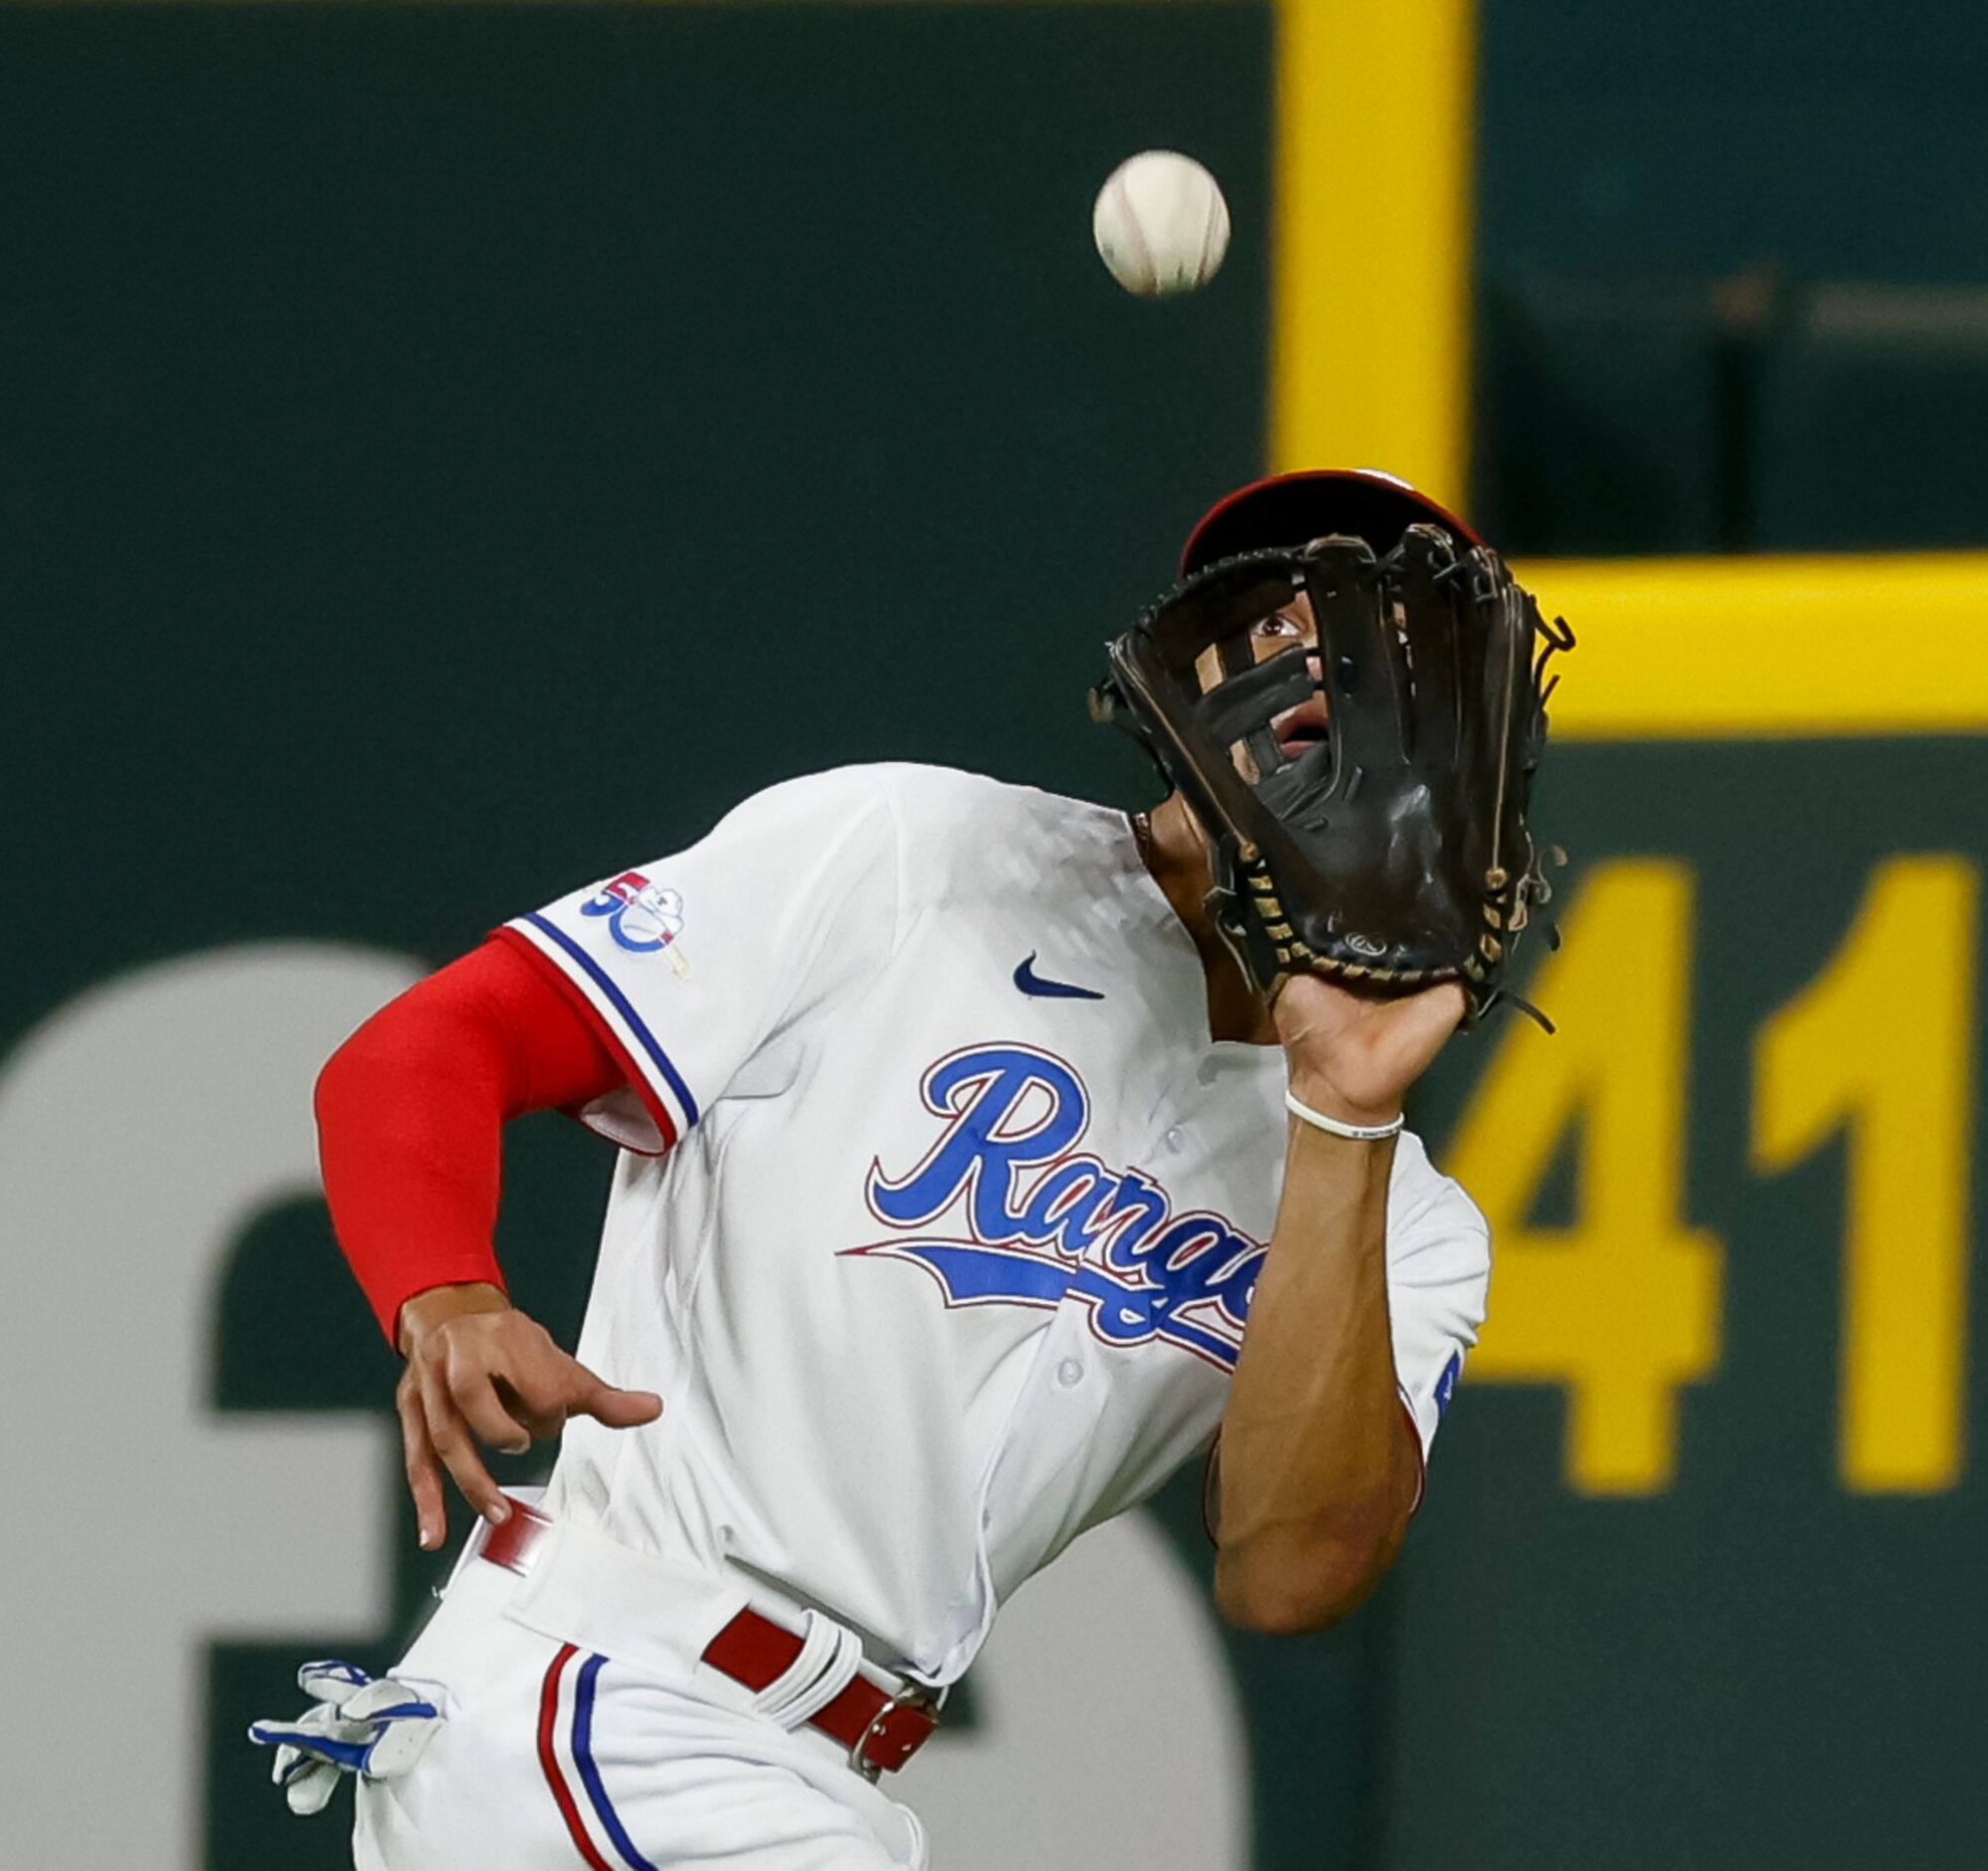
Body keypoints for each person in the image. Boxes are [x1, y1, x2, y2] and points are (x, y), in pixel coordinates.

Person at [272, 468, 1493, 1871]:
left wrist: (1341, 1115)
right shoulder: (912, 855)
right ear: (1189, 669)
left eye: (1370, 645)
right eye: (1268, 622)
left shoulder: (1411, 1224)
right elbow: (427, 1047)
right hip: (607, 1701)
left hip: (814, 1781)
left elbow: (1290, 1569)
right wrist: (444, 1290)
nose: (1308, 673)